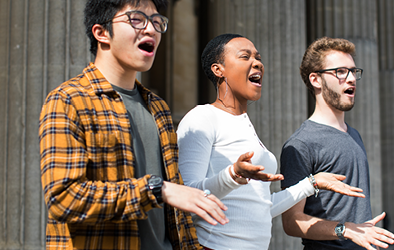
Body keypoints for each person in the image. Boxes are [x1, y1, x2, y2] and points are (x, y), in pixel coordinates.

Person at [38, 1, 228, 249]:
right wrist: (155, 190)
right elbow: (65, 199)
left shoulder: (158, 108)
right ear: (101, 32)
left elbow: (176, 213)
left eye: (157, 21)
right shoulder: (68, 100)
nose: (151, 29)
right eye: (137, 19)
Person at [177, 33, 366, 250]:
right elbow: (186, 198)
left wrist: (311, 184)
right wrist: (232, 175)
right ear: (218, 69)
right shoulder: (202, 117)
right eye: (245, 57)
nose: (257, 63)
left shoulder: (246, 125)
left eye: (258, 57)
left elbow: (261, 208)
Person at [279, 36, 394, 250]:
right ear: (316, 79)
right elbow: (291, 222)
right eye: (341, 72)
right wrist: (346, 229)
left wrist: (360, 230)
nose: (351, 78)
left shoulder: (354, 135)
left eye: (353, 71)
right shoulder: (300, 144)